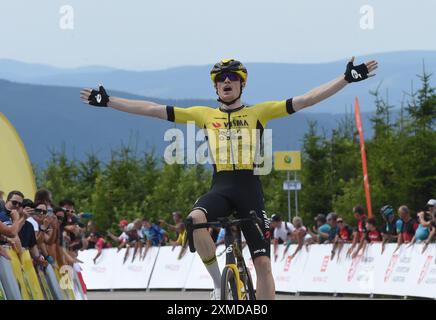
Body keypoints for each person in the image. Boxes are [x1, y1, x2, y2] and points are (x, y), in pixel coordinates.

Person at [80, 56, 377, 299]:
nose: (226, 82)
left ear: (241, 84)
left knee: (262, 263)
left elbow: (307, 100)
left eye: (232, 77)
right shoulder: (204, 115)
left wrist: (346, 79)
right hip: (220, 185)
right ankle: (218, 283)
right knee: (196, 219)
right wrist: (109, 102)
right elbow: (154, 110)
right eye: (220, 79)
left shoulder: (259, 112)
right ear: (215, 86)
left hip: (249, 187)